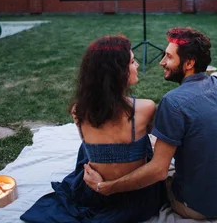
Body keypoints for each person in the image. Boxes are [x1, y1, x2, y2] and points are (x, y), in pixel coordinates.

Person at [84, 27, 217, 220]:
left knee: (155, 169)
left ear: (189, 63)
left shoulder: (173, 102)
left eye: (168, 57)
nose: (162, 62)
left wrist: (106, 187)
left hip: (200, 206)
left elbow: (158, 171)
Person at [21, 35, 166, 223]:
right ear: (118, 72)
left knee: (87, 150)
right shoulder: (145, 108)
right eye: (132, 61)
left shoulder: (78, 110)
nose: (137, 65)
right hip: (136, 197)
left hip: (94, 196)